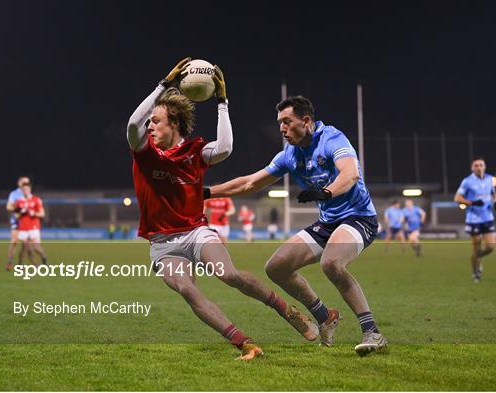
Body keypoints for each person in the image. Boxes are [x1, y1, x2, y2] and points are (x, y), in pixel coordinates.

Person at [127, 59, 318, 361]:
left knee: (229, 275)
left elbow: (226, 147)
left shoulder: (195, 152)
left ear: (174, 124)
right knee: (189, 291)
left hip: (196, 232)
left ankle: (286, 310)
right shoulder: (144, 153)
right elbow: (132, 125)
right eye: (150, 122)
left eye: (157, 121)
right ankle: (246, 343)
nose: (149, 126)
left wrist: (222, 100)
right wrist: (162, 86)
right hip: (163, 244)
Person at [205, 95, 387, 356]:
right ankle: (325, 316)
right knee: (276, 267)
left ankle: (373, 333)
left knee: (331, 263)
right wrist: (208, 193)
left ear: (306, 121)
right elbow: (250, 183)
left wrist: (326, 192)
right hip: (328, 223)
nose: (281, 128)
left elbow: (350, 173)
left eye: (287, 122)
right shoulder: (289, 155)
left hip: (358, 218)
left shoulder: (332, 139)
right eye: (279, 122)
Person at [454, 157, 496, 283]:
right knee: (477, 245)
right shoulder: (467, 181)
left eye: (481, 165)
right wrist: (471, 202)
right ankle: (475, 273)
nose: (479, 167)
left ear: (485, 166)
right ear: (472, 168)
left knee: (491, 246)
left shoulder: (490, 179)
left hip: (487, 217)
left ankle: (477, 258)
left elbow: (493, 192)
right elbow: (457, 198)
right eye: (476, 165)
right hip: (473, 219)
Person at [15, 182, 48, 265]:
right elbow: (16, 216)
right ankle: (35, 267)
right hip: (23, 228)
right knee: (27, 248)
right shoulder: (19, 202)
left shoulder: (36, 199)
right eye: (23, 189)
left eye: (27, 189)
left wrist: (34, 213)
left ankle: (44, 257)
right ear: (21, 191)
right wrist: (21, 213)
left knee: (36, 247)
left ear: (30, 189)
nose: (25, 191)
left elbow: (42, 214)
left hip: (34, 227)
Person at [5, 176, 29, 270]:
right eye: (24, 183)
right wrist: (19, 210)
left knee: (25, 244)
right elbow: (8, 207)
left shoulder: (29, 194)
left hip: (26, 222)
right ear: (19, 183)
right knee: (14, 241)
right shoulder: (14, 194)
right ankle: (9, 261)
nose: (26, 185)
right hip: (16, 221)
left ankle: (20, 264)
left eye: (27, 183)